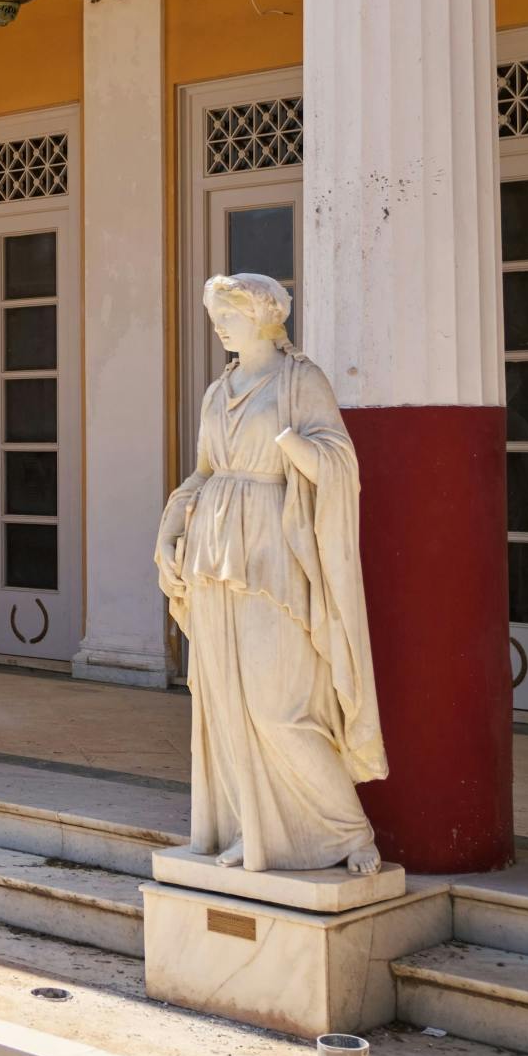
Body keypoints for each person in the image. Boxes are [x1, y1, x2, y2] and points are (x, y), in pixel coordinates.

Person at [155, 274, 386, 875]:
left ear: (264, 316)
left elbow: (340, 463)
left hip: (272, 556)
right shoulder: (217, 391)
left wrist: (293, 446)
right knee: (224, 702)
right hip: (214, 556)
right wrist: (171, 527)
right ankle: (247, 831)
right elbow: (203, 473)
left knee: (279, 707)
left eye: (227, 313)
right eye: (215, 314)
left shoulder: (298, 380)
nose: (218, 324)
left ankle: (349, 832)